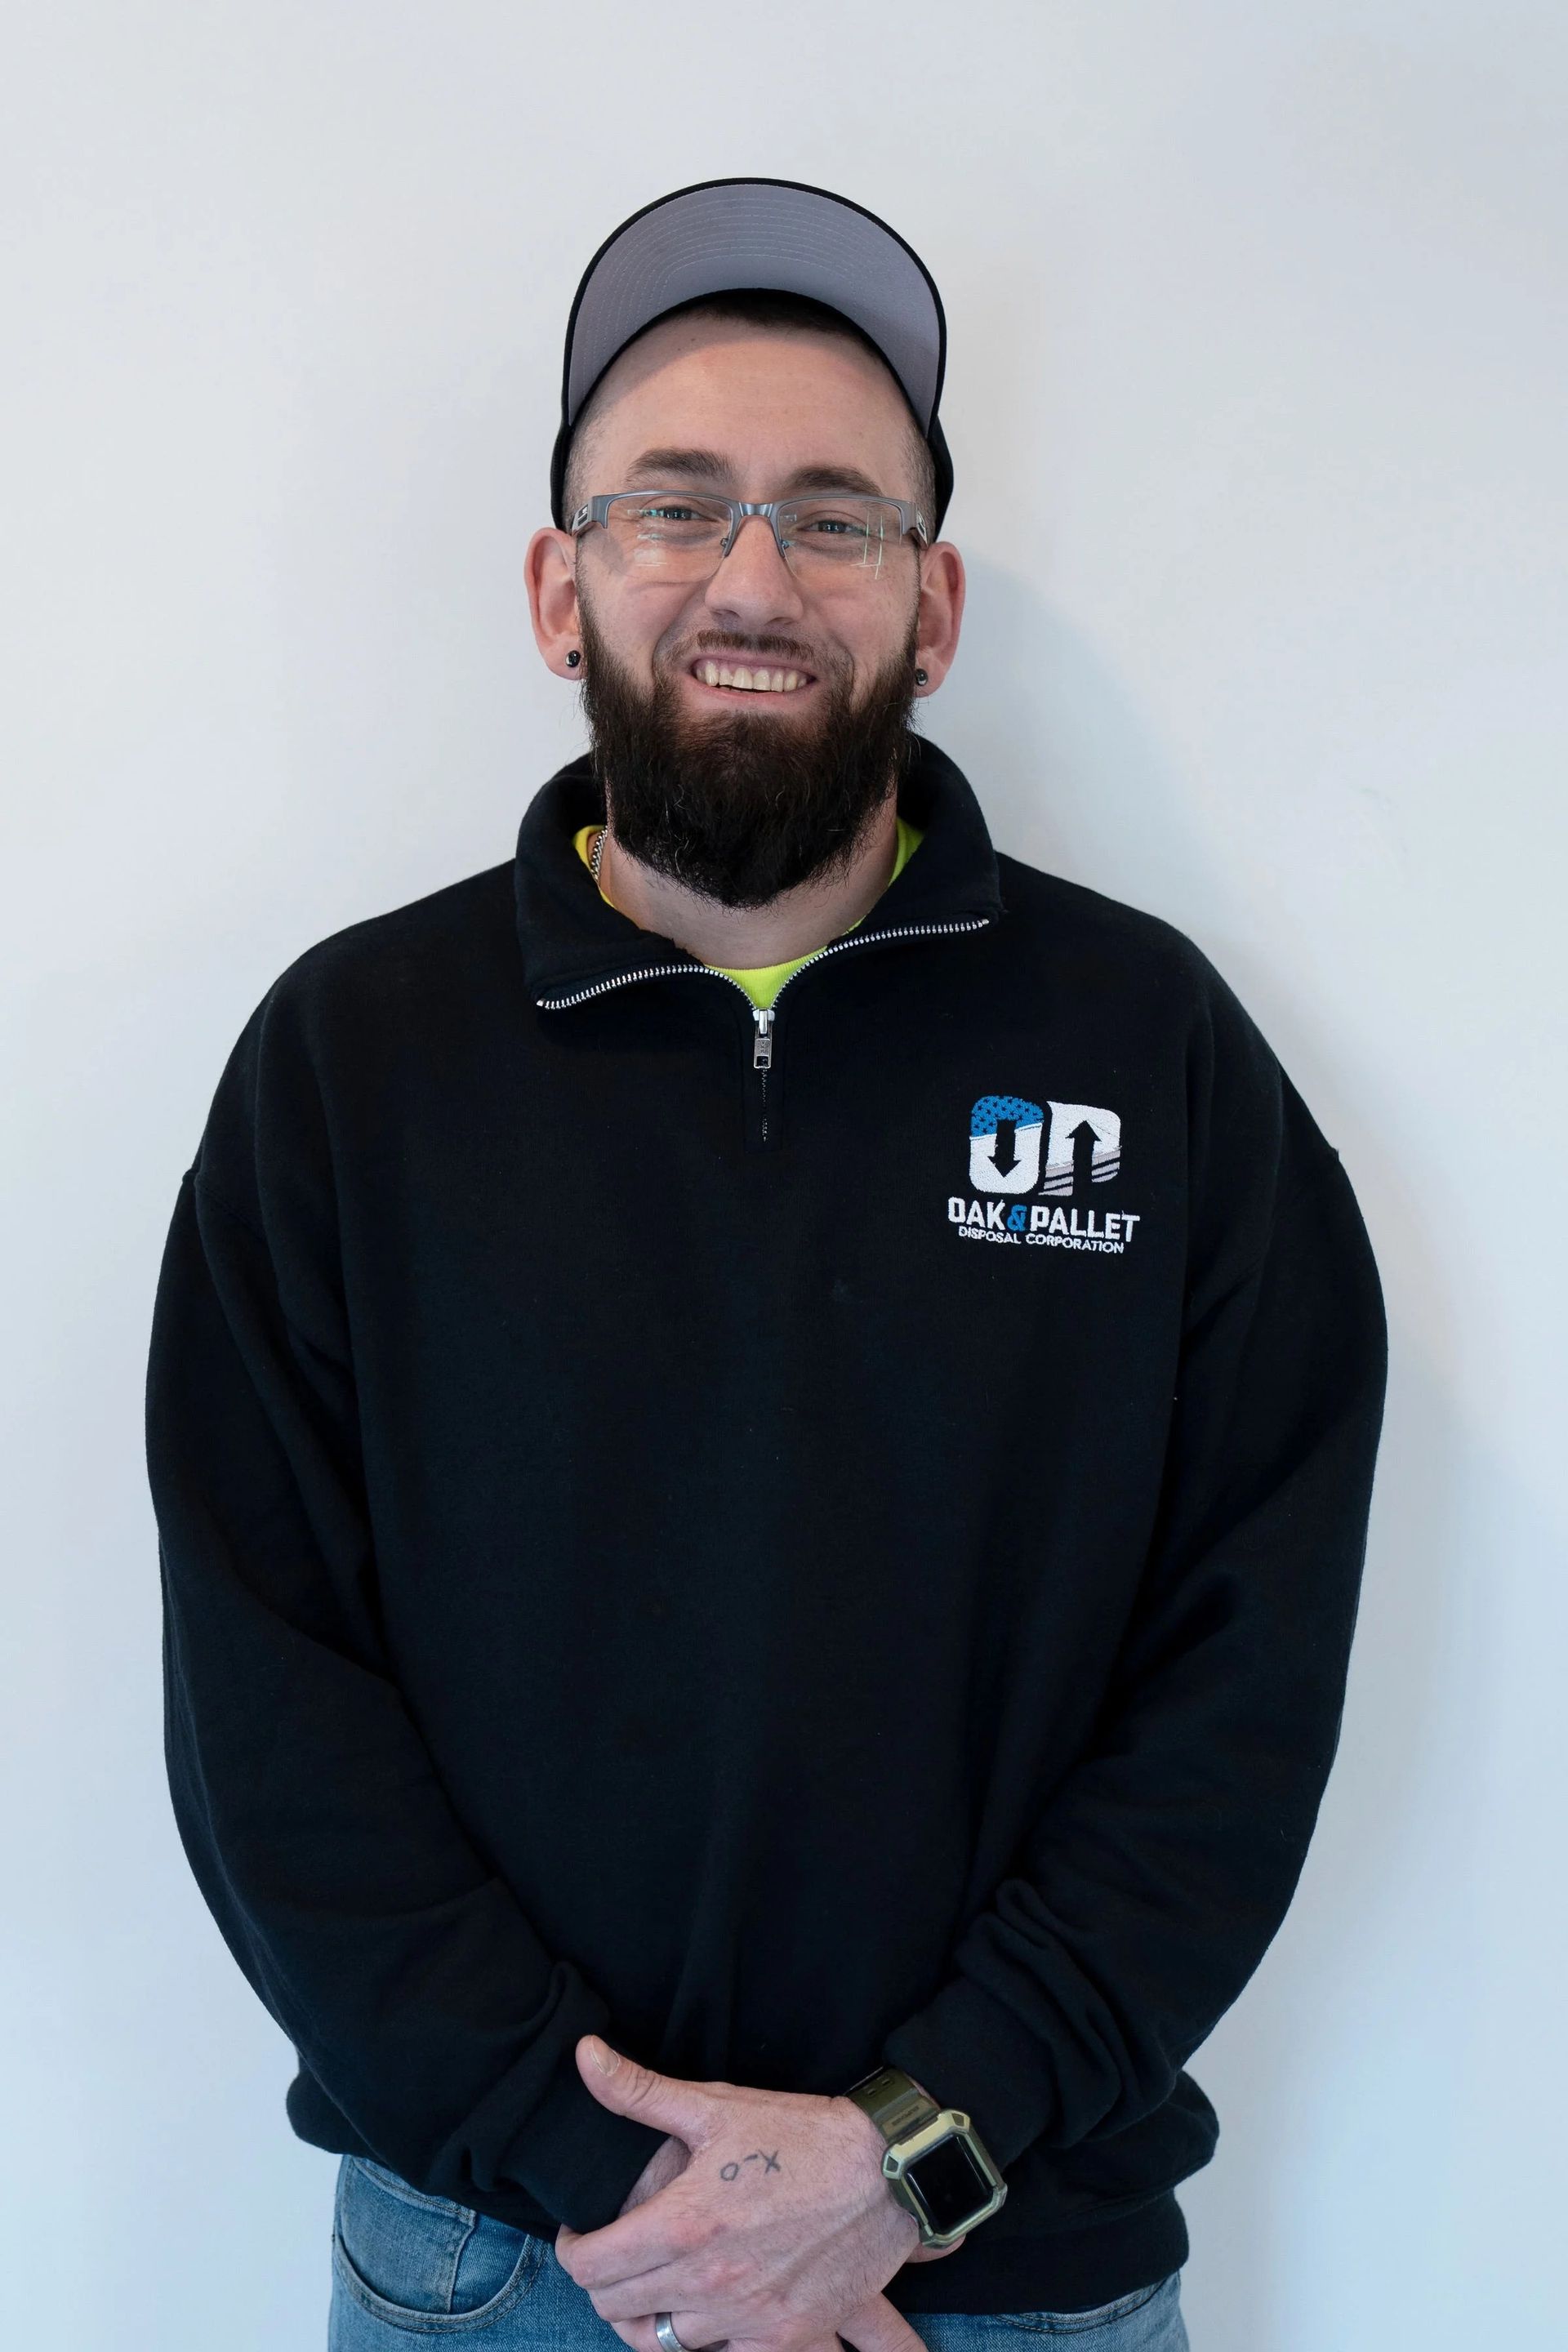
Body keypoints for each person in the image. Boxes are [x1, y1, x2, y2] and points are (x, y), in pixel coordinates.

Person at [144, 180, 1388, 2352]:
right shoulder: (351, 1063)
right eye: (674, 505)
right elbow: (274, 1718)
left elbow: (1240, 1691)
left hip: (1010, 2264)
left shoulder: (1150, 1055)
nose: (750, 576)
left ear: (934, 604)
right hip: (505, 2261)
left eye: (835, 517)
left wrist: (913, 2148)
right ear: (559, 588)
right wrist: (649, 2189)